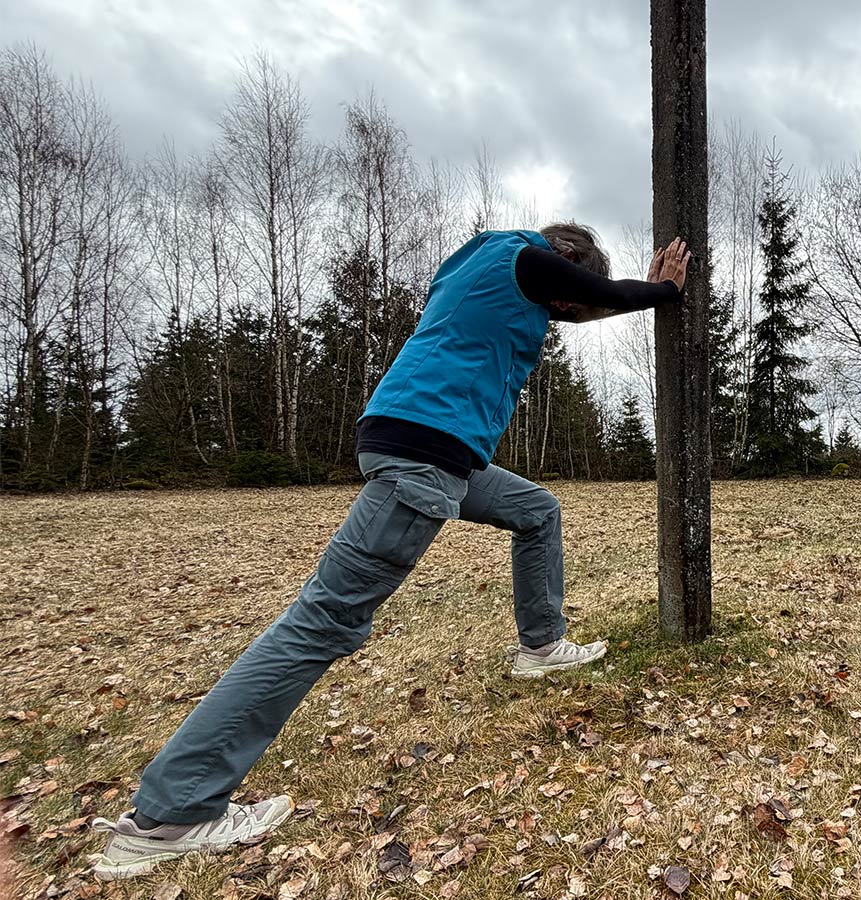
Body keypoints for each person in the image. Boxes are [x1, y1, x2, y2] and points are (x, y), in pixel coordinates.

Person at [90, 225, 692, 880]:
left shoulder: (481, 261)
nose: (562, 317)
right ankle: (174, 812)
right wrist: (662, 288)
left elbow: (582, 298)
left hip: (426, 445)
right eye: (563, 309)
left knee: (535, 509)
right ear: (566, 260)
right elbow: (591, 290)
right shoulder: (530, 262)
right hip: (425, 453)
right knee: (321, 622)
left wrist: (601, 297)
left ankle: (540, 647)